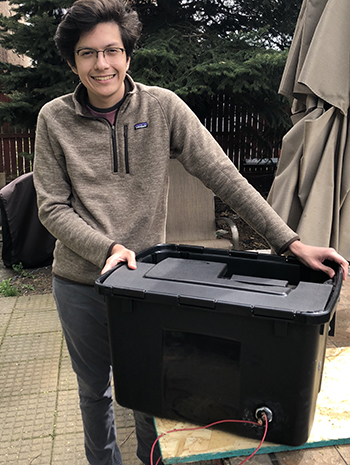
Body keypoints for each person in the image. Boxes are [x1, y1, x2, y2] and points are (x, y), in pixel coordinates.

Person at [33, 0, 349, 464]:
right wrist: (108, 248)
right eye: (87, 53)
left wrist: (291, 242)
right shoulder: (53, 119)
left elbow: (224, 175)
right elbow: (52, 208)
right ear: (72, 60)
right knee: (94, 392)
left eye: (112, 50)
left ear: (128, 54)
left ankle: (150, 460)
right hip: (80, 281)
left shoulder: (161, 108)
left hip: (145, 288)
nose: (102, 64)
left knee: (148, 389)